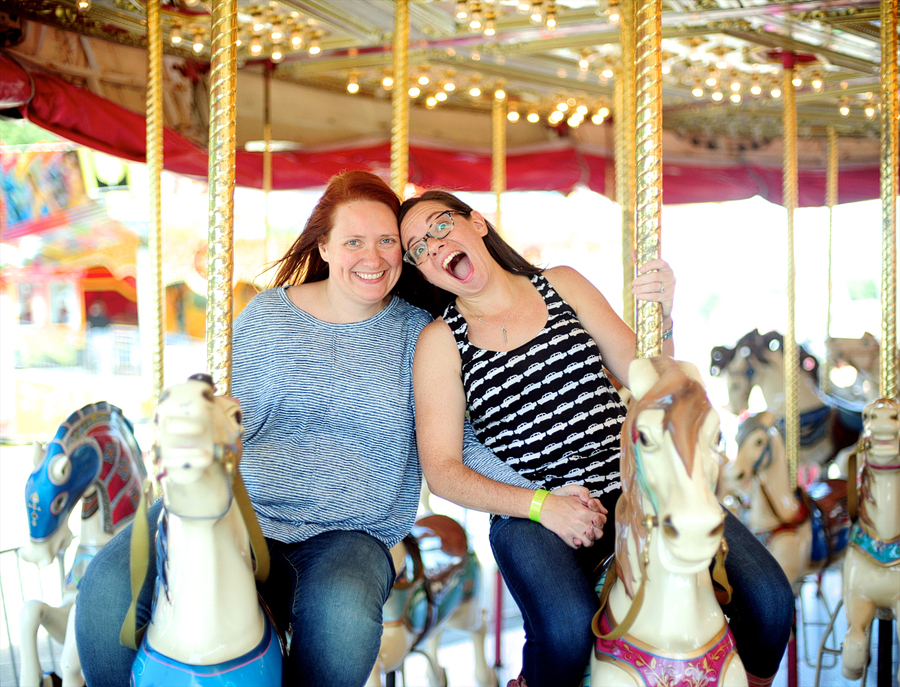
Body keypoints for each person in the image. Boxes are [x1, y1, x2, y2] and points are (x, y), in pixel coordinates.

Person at [74, 170, 600, 687]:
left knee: (343, 616)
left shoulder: (418, 334)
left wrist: (542, 497)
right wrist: (208, 422)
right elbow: (240, 416)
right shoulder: (269, 317)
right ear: (323, 247)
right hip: (242, 518)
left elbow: (458, 445)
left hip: (348, 535)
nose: (372, 258)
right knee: (105, 590)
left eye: (387, 242)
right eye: (353, 241)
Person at [398, 190, 794, 687]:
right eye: (417, 249)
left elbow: (651, 378)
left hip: (634, 485)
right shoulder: (441, 341)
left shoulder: (560, 285)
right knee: (565, 631)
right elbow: (443, 469)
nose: (433, 248)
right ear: (423, 271)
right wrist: (544, 505)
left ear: (476, 223)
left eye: (439, 226)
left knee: (771, 600)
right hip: (532, 511)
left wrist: (663, 316)